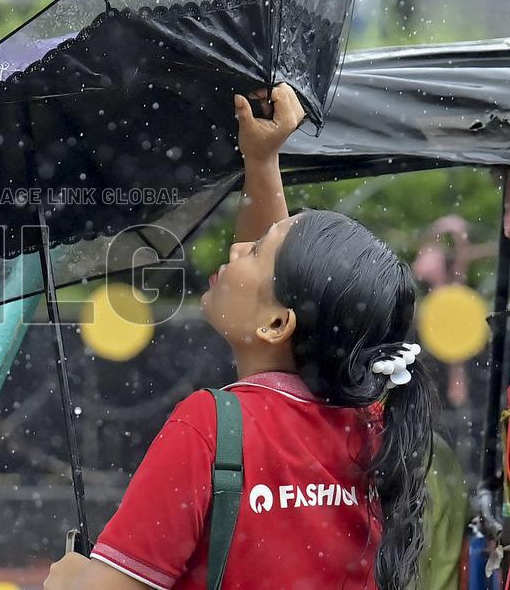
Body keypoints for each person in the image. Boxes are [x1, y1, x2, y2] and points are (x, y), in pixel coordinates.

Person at [44, 84, 436, 590]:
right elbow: (290, 293)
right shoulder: (371, 428)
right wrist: (262, 160)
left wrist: (71, 577)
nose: (234, 251)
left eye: (252, 254)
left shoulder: (208, 425)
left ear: (276, 325)